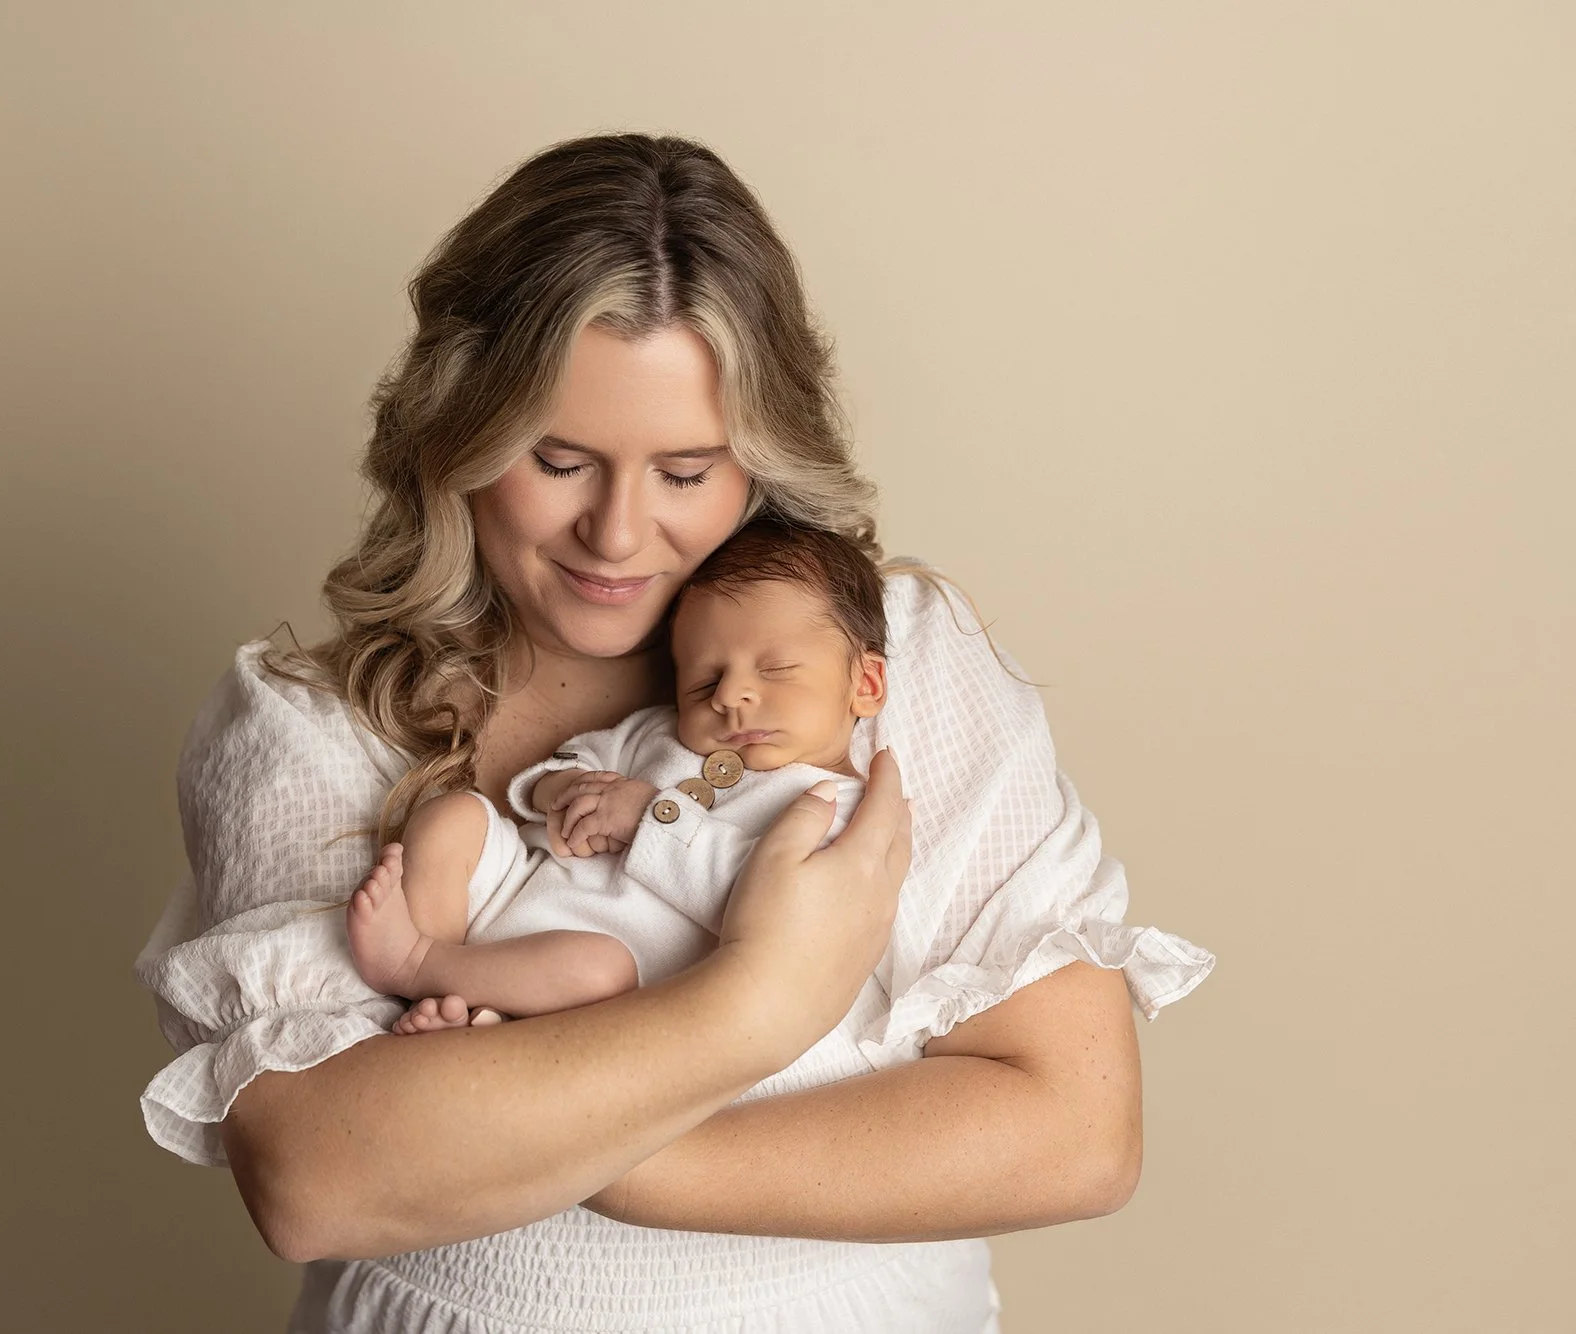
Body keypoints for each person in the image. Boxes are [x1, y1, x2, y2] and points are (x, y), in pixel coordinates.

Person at [135, 133, 1216, 1333]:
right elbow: (314, 1178)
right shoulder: (312, 726)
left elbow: (1071, 1130)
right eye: (559, 460)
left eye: (686, 471)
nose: (617, 532)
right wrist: (756, 999)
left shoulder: (892, 664)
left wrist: (601, 1160)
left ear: (759, 464)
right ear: (458, 438)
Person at [346, 517, 895, 1034]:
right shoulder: (661, 732)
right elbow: (577, 758)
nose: (729, 696)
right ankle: (448, 990)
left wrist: (647, 817)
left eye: (774, 670)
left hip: (607, 974)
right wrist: (558, 787)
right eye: (704, 683)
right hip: (516, 888)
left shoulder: (838, 808)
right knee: (454, 816)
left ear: (866, 684)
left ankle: (417, 964)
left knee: (596, 968)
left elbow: (766, 903)